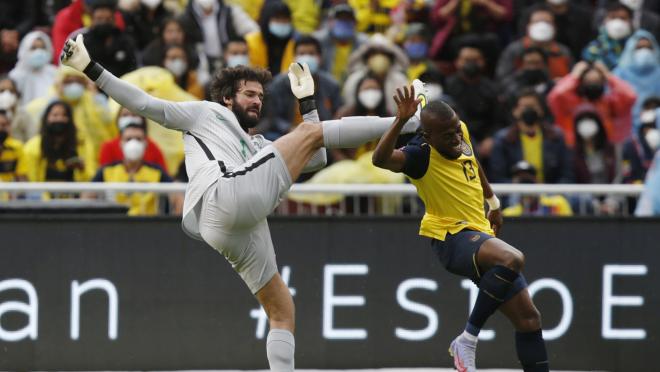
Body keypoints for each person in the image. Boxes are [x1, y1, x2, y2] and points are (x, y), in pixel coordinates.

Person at [60, 33, 425, 372]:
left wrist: (308, 104)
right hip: (223, 195)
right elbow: (144, 103)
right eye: (249, 94)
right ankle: (407, 124)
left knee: (282, 309)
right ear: (227, 98)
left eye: (261, 96)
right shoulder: (205, 113)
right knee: (308, 135)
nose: (257, 100)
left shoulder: (258, 146)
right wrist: (92, 69)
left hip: (227, 226)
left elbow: (316, 159)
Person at [372, 90, 548, 372]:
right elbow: (380, 160)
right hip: (451, 238)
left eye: (457, 131)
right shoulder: (419, 155)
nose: (456, 138)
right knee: (511, 259)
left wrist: (493, 202)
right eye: (447, 136)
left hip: (479, 233)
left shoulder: (457, 129)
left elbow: (473, 160)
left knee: (529, 319)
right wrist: (399, 121)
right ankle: (467, 339)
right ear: (428, 137)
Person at [259, 35, 342, 141]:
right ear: (294, 57)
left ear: (320, 58)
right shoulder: (279, 83)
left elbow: (337, 114)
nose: (306, 58)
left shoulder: (331, 85)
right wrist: (290, 129)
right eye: (302, 54)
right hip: (286, 135)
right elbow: (272, 117)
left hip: (321, 135)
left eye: (311, 54)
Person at [90, 119, 173, 215]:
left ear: (145, 143)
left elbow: (177, 198)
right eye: (128, 139)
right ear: (121, 143)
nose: (133, 143)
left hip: (147, 225)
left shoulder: (157, 172)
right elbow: (87, 198)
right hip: (114, 225)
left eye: (138, 139)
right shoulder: (107, 170)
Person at [490, 89, 573, 183]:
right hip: (515, 194)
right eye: (525, 107)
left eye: (532, 106)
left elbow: (566, 175)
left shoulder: (556, 137)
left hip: (550, 194)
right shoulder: (503, 139)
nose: (529, 111)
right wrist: (516, 185)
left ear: (541, 110)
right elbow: (497, 177)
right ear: (515, 111)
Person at [547, 60, 636, 147]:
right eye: (589, 81)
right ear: (580, 83)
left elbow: (630, 96)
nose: (593, 84)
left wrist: (608, 75)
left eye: (596, 81)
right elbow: (555, 96)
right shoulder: (571, 103)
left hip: (606, 150)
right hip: (575, 150)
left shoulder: (609, 103)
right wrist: (574, 76)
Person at [18, 100, 95, 187]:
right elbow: (32, 181)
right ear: (46, 118)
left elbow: (91, 178)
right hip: (43, 198)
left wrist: (82, 169)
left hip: (75, 197)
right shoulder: (32, 146)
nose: (59, 119)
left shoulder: (82, 144)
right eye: (55, 115)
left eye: (64, 115)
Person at [495, 4, 573, 81]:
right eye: (537, 22)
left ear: (555, 28)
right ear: (528, 27)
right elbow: (504, 78)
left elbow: (571, 78)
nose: (542, 26)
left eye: (547, 22)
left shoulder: (563, 52)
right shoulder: (514, 50)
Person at [613, 29, 660, 132]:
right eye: (639, 47)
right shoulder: (619, 74)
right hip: (625, 128)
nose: (644, 51)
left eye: (648, 47)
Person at [99, 107, 168, 172]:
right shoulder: (108, 147)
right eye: (125, 115)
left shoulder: (153, 148)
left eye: (134, 115)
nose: (130, 118)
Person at [81, 0, 138, 78]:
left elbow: (132, 68)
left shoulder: (125, 41)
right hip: (92, 86)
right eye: (99, 19)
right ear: (93, 20)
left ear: (113, 20)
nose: (103, 22)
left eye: (108, 19)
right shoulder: (83, 41)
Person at [313, 4, 368, 83]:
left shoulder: (363, 43)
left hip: (352, 87)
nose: (344, 22)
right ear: (330, 21)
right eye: (340, 19)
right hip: (325, 88)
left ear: (355, 23)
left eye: (348, 19)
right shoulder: (318, 41)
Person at [502, 160, 573, 217]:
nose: (526, 186)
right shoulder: (509, 214)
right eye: (522, 181)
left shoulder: (558, 203)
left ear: (536, 180)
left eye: (528, 181)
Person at [9, 31, 58, 106]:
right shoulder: (16, 75)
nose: (39, 52)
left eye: (42, 48)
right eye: (34, 48)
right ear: (25, 50)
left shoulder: (54, 72)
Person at [246, 1, 296, 74]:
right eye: (277, 18)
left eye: (285, 19)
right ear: (266, 19)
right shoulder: (250, 42)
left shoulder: (294, 43)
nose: (281, 23)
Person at [582, 2, 634, 69]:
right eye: (613, 17)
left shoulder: (637, 45)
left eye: (622, 18)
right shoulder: (594, 48)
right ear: (605, 20)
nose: (617, 22)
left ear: (630, 21)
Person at [622, 96, 660, 184]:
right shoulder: (630, 144)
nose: (652, 111)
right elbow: (627, 173)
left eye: (655, 108)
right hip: (637, 189)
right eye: (648, 108)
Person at [0, 76, 37, 143]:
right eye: (2, 91)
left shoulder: (24, 116)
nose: (6, 94)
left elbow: (32, 139)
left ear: (16, 94)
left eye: (11, 91)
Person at [0, 110, 25, 183]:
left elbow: (22, 178)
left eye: (4, 125)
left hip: (10, 190)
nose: (0, 128)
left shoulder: (17, 147)